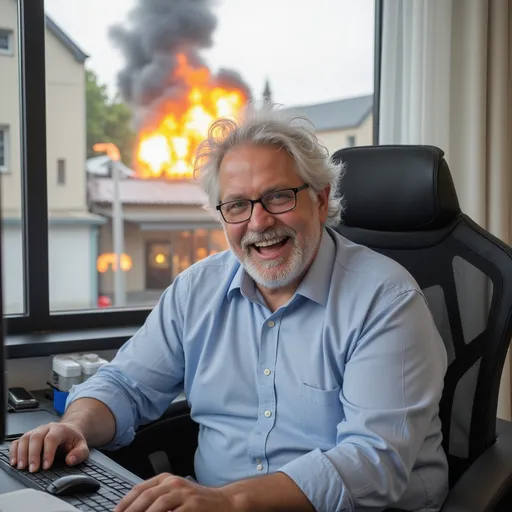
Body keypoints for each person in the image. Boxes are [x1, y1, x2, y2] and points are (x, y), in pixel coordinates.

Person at [10, 103, 449, 512]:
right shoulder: (196, 290)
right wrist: (76, 426)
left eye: (279, 197)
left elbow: (373, 462)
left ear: (319, 198)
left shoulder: (386, 300)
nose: (259, 223)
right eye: (237, 205)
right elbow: (126, 384)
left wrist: (229, 501)